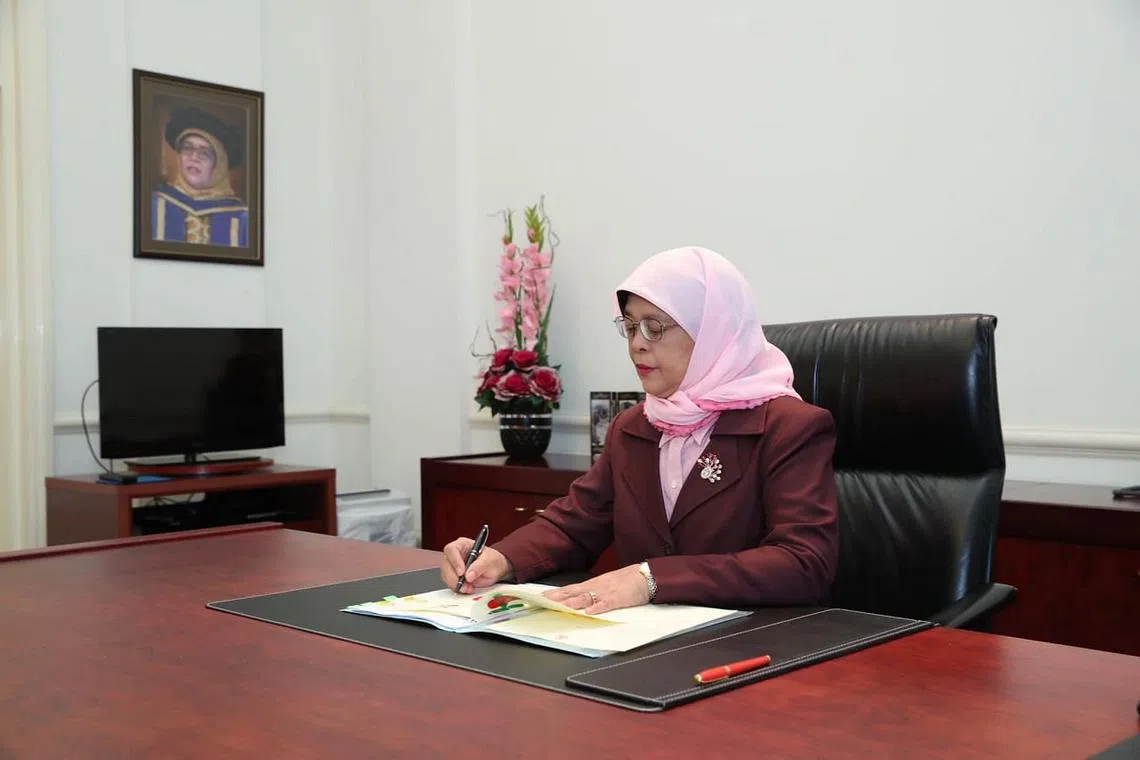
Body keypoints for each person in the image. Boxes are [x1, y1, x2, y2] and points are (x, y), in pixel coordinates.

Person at [441, 246, 839, 613]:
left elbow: (804, 562)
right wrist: (502, 558)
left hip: (749, 642)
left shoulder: (788, 427)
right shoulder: (634, 426)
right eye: (630, 327)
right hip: (641, 643)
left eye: (654, 327)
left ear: (712, 332)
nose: (637, 345)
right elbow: (574, 525)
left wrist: (651, 579)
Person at [151, 106, 250, 247]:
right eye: (187, 148)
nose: (193, 157)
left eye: (204, 153)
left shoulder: (242, 218)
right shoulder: (155, 205)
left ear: (219, 166)